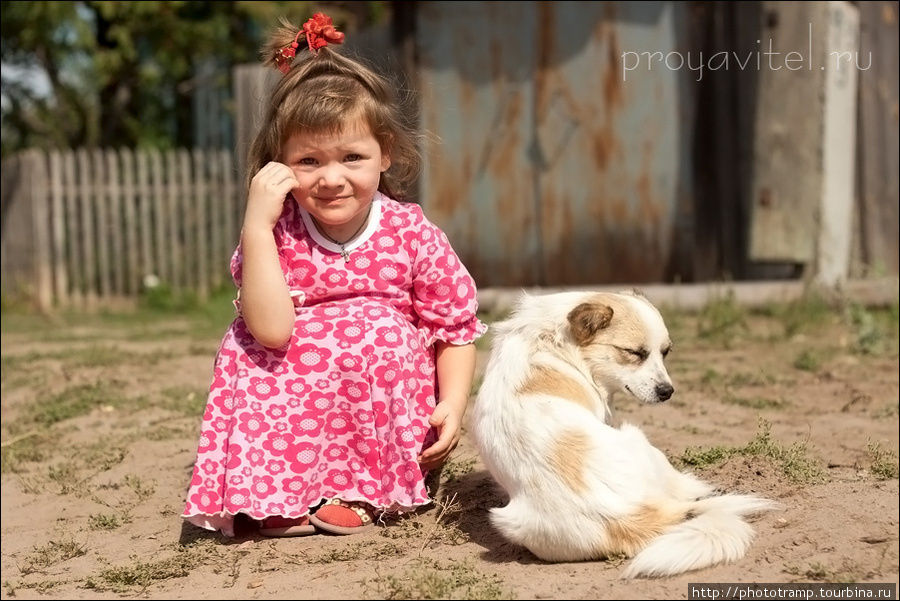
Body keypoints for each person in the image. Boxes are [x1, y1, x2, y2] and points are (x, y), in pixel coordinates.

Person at [181, 12, 487, 538]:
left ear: (385, 153)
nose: (331, 178)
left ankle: (364, 490)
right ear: (277, 164)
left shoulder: (411, 232)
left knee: (378, 335)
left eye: (352, 156)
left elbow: (453, 328)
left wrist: (453, 403)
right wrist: (257, 224)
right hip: (298, 378)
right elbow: (272, 330)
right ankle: (277, 493)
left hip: (381, 395)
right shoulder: (276, 232)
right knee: (250, 349)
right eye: (307, 160)